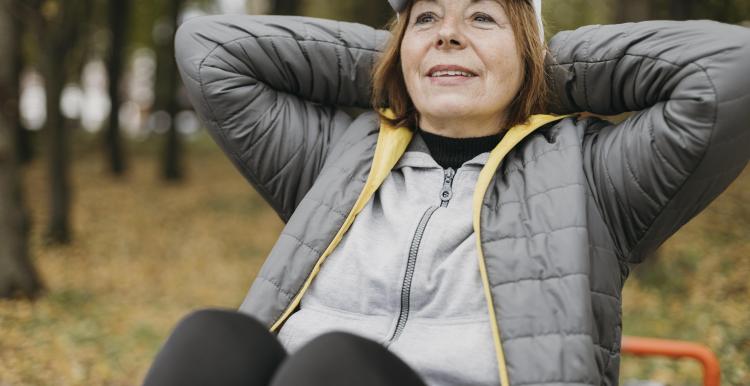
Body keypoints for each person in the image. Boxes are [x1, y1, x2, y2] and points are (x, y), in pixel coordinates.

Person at [144, 0, 750, 385]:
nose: (448, 36)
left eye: (483, 17)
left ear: (529, 49)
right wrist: (400, 63)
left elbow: (729, 70)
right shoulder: (334, 157)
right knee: (214, 338)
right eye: (426, 17)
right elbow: (210, 51)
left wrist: (537, 71)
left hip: (339, 376)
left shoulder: (587, 175)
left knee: (337, 368)